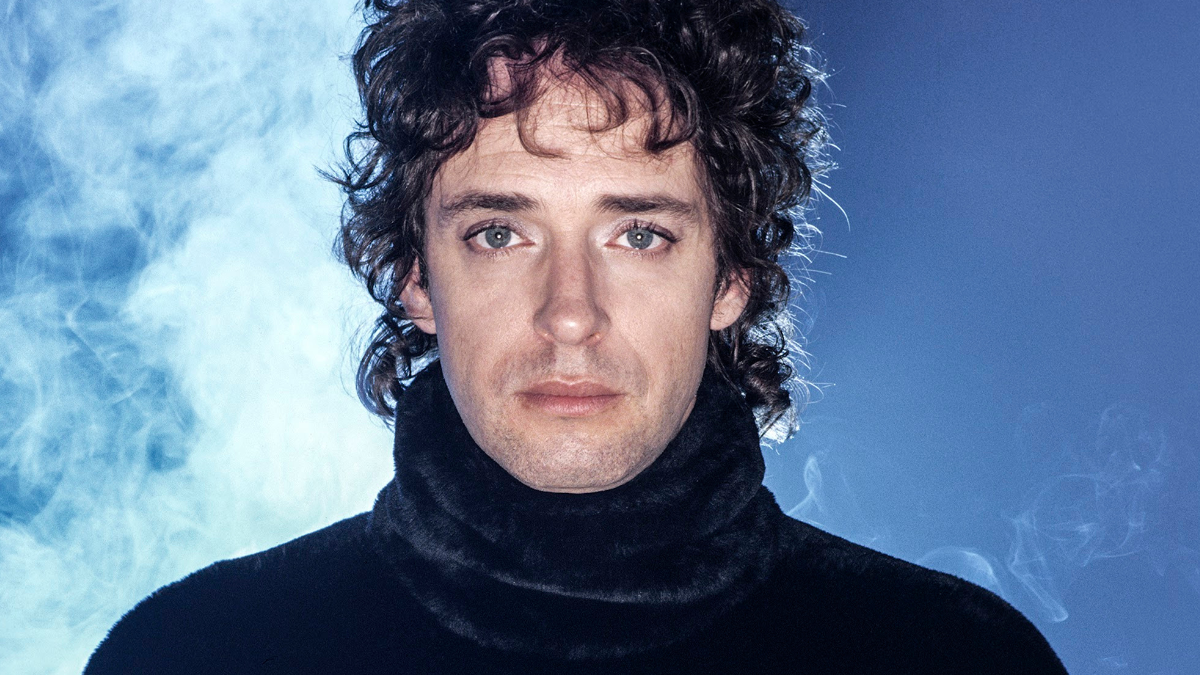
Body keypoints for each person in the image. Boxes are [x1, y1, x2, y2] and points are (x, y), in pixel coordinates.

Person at [85, 0, 1069, 672]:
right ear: (416, 275)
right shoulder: (197, 654)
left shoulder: (952, 657)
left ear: (731, 275)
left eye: (638, 234)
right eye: (499, 233)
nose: (569, 313)